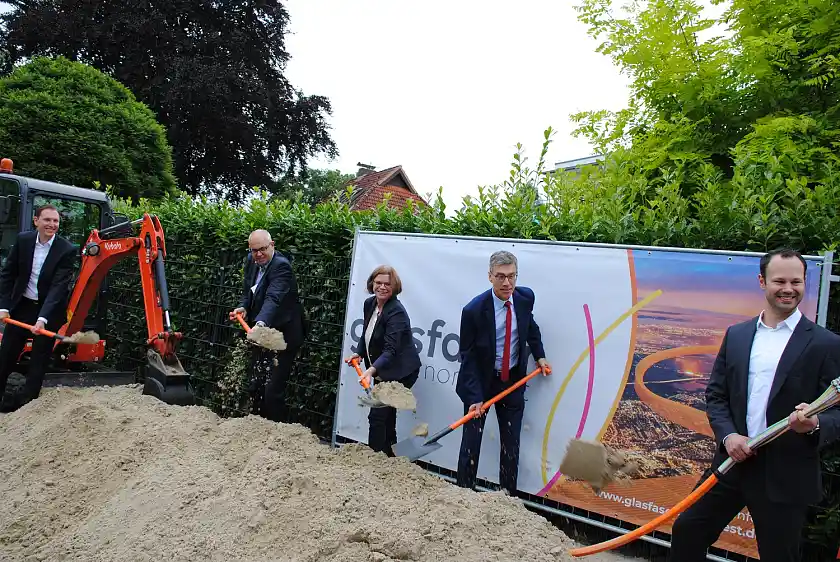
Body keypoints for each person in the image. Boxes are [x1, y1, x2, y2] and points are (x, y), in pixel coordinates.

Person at [668, 248, 840, 562]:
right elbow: (717, 395)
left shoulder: (826, 343)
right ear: (762, 281)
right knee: (687, 531)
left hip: (785, 474)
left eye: (796, 282)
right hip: (733, 462)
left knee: (779, 556)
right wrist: (728, 436)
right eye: (779, 281)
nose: (788, 289)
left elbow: (837, 412)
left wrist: (815, 424)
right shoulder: (737, 335)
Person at [456, 250, 551, 495]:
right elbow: (467, 357)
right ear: (490, 276)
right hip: (482, 383)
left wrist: (539, 356)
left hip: (512, 382)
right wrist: (475, 397)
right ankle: (464, 493)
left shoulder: (525, 298)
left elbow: (531, 328)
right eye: (500, 276)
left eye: (512, 276)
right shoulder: (474, 311)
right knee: (472, 441)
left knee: (511, 442)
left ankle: (507, 497)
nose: (507, 282)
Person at [0, 204, 77, 411]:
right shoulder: (23, 241)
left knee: (39, 359)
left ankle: (28, 405)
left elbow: (58, 288)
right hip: (23, 306)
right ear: (36, 221)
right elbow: (8, 274)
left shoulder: (67, 250)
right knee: (6, 353)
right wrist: (3, 306)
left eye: (55, 221)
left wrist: (42, 319)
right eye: (47, 220)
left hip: (49, 310)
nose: (52, 224)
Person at [228, 229, 306, 423]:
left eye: (262, 249)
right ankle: (257, 426)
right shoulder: (251, 260)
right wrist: (243, 307)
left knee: (272, 389)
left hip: (283, 335)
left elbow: (274, 298)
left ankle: (276, 430)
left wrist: (260, 324)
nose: (258, 254)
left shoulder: (281, 267)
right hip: (261, 334)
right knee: (255, 384)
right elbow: (248, 290)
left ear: (272, 245)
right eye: (254, 250)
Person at [349, 265, 421, 456]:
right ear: (372, 284)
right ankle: (389, 455)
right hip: (382, 369)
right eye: (378, 282)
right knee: (386, 414)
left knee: (378, 415)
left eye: (387, 284)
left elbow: (391, 350)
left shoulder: (396, 312)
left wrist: (371, 370)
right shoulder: (370, 304)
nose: (382, 287)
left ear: (394, 286)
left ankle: (375, 458)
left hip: (401, 372)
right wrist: (359, 353)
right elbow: (367, 333)